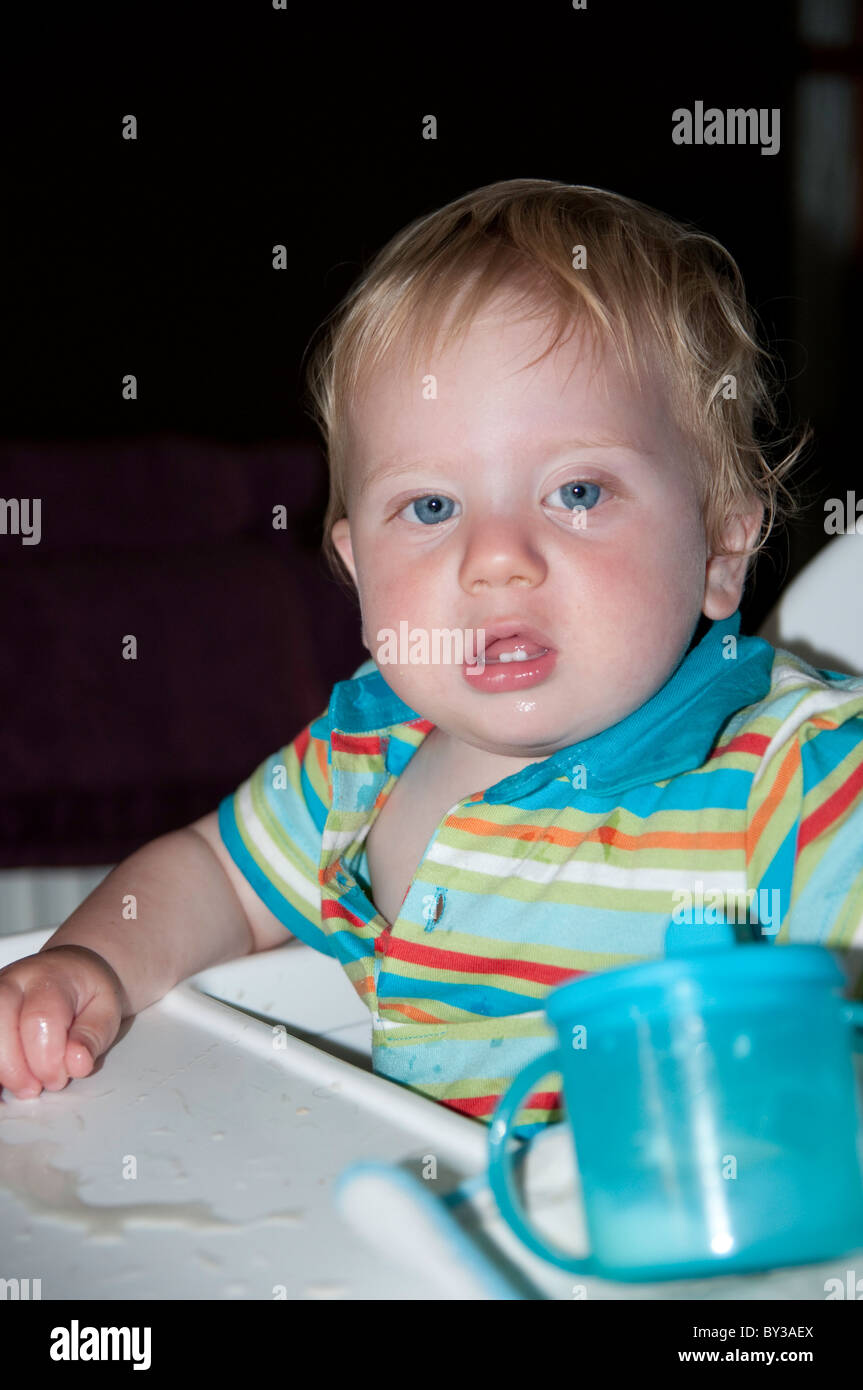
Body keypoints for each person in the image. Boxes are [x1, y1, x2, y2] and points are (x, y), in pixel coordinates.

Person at [2, 179, 861, 1138]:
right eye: (432, 508)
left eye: (576, 491)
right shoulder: (364, 755)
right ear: (356, 566)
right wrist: (90, 967)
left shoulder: (800, 780)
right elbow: (211, 874)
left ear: (719, 550)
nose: (494, 559)